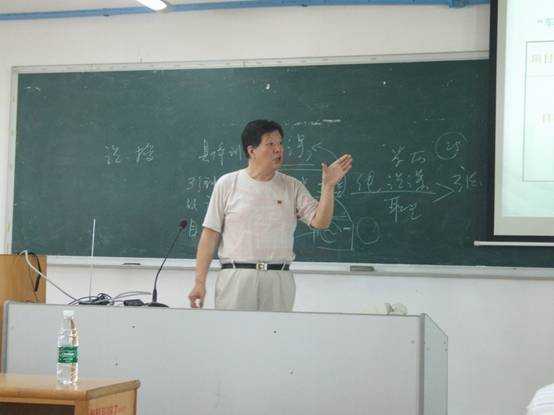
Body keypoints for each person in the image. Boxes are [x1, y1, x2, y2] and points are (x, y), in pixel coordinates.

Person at [188, 119, 352, 311]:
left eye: (280, 143)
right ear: (252, 150)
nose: (278, 149)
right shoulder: (227, 183)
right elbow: (210, 235)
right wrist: (199, 282)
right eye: (270, 144)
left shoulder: (292, 186)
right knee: (234, 330)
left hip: (278, 277)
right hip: (237, 276)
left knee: (277, 331)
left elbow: (320, 222)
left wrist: (328, 187)